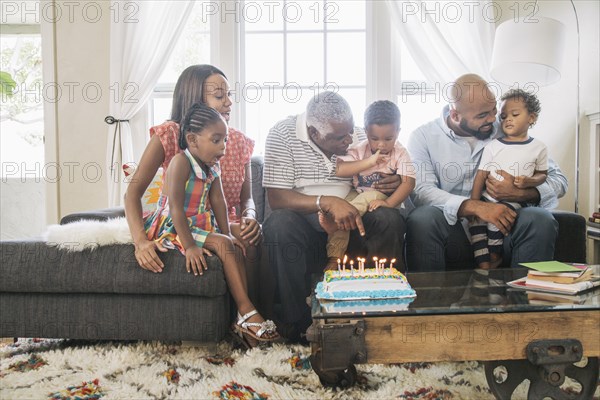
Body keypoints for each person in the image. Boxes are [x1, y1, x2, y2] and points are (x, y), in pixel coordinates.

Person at [262, 91, 406, 342]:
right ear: (315, 133)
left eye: (351, 131)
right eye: (340, 137)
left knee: (388, 219)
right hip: (304, 223)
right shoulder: (282, 134)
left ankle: (379, 319)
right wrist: (326, 202)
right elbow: (277, 198)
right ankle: (297, 326)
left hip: (353, 220)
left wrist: (392, 181)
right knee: (279, 223)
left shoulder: (360, 135)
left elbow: (383, 171)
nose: (350, 140)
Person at [124, 65, 262, 302]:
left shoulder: (236, 141)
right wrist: (140, 242)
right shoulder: (169, 135)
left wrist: (250, 215)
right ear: (194, 99)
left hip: (220, 220)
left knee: (253, 237)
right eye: (219, 96)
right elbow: (132, 194)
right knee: (228, 242)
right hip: (184, 221)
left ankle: (258, 314)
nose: (228, 102)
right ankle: (247, 314)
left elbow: (246, 198)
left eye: (229, 95)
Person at [144, 103, 278, 347]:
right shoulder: (180, 162)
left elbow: (218, 201)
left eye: (225, 140)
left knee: (245, 236)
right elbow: (175, 207)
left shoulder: (212, 165)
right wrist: (190, 246)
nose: (223, 147)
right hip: (174, 224)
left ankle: (253, 309)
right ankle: (245, 311)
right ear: (192, 140)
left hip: (201, 220)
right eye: (216, 140)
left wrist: (228, 232)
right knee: (223, 244)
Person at [406, 74, 567, 272]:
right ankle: (430, 301)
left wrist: (522, 194)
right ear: (455, 115)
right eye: (482, 115)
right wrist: (475, 207)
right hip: (452, 232)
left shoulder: (507, 129)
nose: (492, 119)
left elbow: (559, 181)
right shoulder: (422, 137)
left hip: (503, 231)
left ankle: (525, 300)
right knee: (423, 218)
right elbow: (421, 190)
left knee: (539, 218)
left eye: (493, 110)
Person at [319, 100, 415, 270]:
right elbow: (339, 169)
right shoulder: (359, 149)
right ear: (366, 132)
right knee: (343, 206)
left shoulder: (400, 152)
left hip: (382, 196)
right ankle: (335, 256)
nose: (381, 145)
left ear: (398, 132)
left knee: (364, 199)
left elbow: (408, 183)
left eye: (388, 138)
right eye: (374, 138)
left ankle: (334, 223)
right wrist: (368, 161)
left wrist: (388, 203)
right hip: (358, 193)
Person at [469, 89, 548, 270]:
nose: (507, 120)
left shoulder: (539, 147)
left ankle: (495, 256)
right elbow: (481, 174)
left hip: (513, 202)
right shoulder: (493, 146)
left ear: (532, 118)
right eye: (503, 117)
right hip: (487, 197)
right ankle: (483, 263)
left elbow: (543, 173)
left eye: (515, 114)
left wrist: (529, 183)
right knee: (476, 226)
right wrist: (474, 204)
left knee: (498, 220)